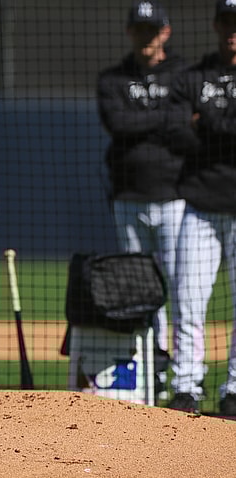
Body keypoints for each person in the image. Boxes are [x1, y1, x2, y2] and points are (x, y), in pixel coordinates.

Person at [96, 1, 192, 403]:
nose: (146, 36)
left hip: (176, 196)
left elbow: (186, 124)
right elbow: (118, 125)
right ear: (130, 31)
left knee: (181, 286)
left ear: (165, 32)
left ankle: (185, 377)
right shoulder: (113, 78)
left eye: (152, 30)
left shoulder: (184, 73)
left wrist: (149, 122)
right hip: (129, 197)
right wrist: (164, 119)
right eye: (139, 29)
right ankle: (149, 368)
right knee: (138, 289)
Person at [167, 0, 236, 416]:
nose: (233, 31)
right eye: (227, 21)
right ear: (215, 25)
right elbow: (175, 134)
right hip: (200, 204)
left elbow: (196, 129)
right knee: (189, 300)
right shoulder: (192, 77)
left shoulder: (195, 90)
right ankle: (186, 387)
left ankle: (234, 391)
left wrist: (206, 121)